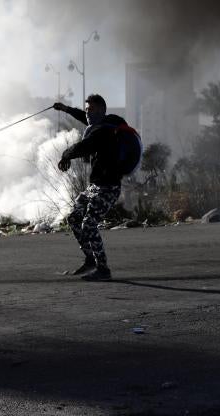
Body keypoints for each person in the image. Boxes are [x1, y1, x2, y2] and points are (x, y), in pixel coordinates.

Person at [54, 94, 130, 281]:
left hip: (108, 188)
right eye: (87, 109)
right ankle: (91, 260)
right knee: (74, 218)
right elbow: (84, 117)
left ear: (102, 111)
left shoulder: (104, 132)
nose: (87, 113)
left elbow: (84, 146)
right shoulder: (104, 123)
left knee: (88, 225)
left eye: (91, 110)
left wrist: (65, 155)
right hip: (95, 187)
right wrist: (66, 109)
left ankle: (103, 269)